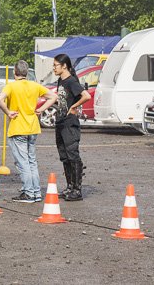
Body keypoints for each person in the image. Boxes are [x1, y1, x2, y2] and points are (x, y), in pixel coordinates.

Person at [0, 60, 58, 203]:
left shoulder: (11, 86)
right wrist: (41, 109)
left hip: (18, 128)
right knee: (31, 161)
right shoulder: (35, 85)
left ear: (14, 72)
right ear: (27, 72)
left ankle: (28, 193)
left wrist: (8, 112)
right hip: (33, 127)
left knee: (22, 163)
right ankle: (36, 192)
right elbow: (53, 97)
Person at [52, 53, 91, 201]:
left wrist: (74, 106)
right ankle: (69, 186)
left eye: (56, 65)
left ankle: (77, 189)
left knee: (72, 155)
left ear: (64, 66)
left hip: (70, 124)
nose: (54, 68)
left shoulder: (71, 81)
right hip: (60, 122)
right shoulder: (60, 81)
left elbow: (86, 96)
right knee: (64, 156)